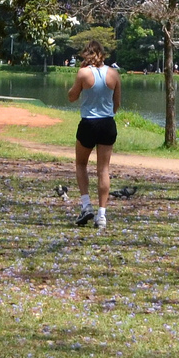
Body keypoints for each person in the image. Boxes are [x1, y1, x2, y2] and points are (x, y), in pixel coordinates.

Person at [66, 38, 120, 230]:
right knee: (103, 169)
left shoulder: (83, 73)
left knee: (81, 164)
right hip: (107, 123)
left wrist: (79, 80)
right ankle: (102, 215)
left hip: (89, 123)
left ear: (86, 54)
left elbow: (72, 97)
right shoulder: (114, 74)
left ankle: (86, 204)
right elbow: (117, 104)